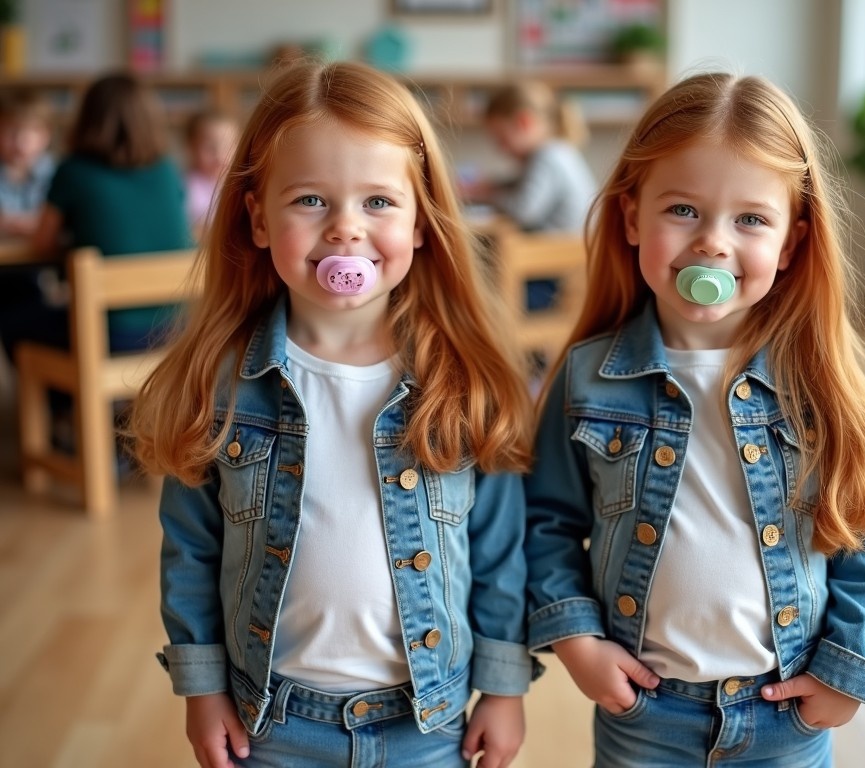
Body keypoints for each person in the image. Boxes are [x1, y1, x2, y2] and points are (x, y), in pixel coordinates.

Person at [128, 60, 536, 768]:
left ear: (421, 222)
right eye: (311, 200)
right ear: (258, 218)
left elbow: (501, 552)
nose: (346, 230)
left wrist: (503, 689)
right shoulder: (219, 385)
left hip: (427, 721)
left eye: (378, 202)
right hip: (272, 719)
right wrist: (201, 689)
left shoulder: (461, 382)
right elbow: (190, 550)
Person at [523, 71, 865, 767]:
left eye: (750, 220)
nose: (713, 243)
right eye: (683, 211)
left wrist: (847, 667)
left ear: (791, 244)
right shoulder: (588, 376)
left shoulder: (818, 381)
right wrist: (577, 640)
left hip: (783, 714)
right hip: (645, 713)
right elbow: (546, 524)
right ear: (631, 216)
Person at [0, 71, 192, 362]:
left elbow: (43, 243)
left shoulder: (73, 170)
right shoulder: (167, 169)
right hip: (175, 329)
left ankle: (65, 402)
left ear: (86, 117)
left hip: (109, 335)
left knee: (12, 319)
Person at [463, 80, 597, 313]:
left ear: (523, 122)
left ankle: (513, 341)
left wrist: (486, 194)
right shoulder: (558, 152)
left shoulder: (548, 157)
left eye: (501, 138)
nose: (500, 148)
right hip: (562, 263)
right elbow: (519, 186)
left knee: (483, 278)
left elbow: (524, 209)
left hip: (549, 268)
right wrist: (490, 187)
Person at [0, 87, 55, 237]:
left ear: (46, 136)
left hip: (46, 257)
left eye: (31, 133)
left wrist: (8, 222)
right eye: (11, 133)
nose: (20, 143)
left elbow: (60, 224)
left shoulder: (57, 174)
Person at [182, 107, 239, 240]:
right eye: (209, 147)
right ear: (191, 148)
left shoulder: (239, 183)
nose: (219, 155)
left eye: (227, 146)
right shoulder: (187, 185)